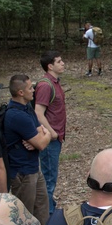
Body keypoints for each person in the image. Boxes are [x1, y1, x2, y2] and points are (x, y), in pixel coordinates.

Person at [2, 73, 52, 225]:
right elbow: (41, 144)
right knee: (26, 216)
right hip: (22, 174)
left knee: (42, 210)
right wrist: (42, 138)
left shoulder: (27, 108)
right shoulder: (16, 115)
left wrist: (46, 135)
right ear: (20, 92)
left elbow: (41, 133)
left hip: (34, 169)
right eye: (30, 88)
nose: (34, 90)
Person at [34, 51, 67, 215]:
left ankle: (49, 205)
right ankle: (47, 214)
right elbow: (38, 112)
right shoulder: (46, 85)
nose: (63, 63)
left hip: (56, 137)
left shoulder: (55, 83)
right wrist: (52, 133)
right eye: (59, 61)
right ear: (50, 66)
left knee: (51, 175)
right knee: (48, 177)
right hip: (49, 139)